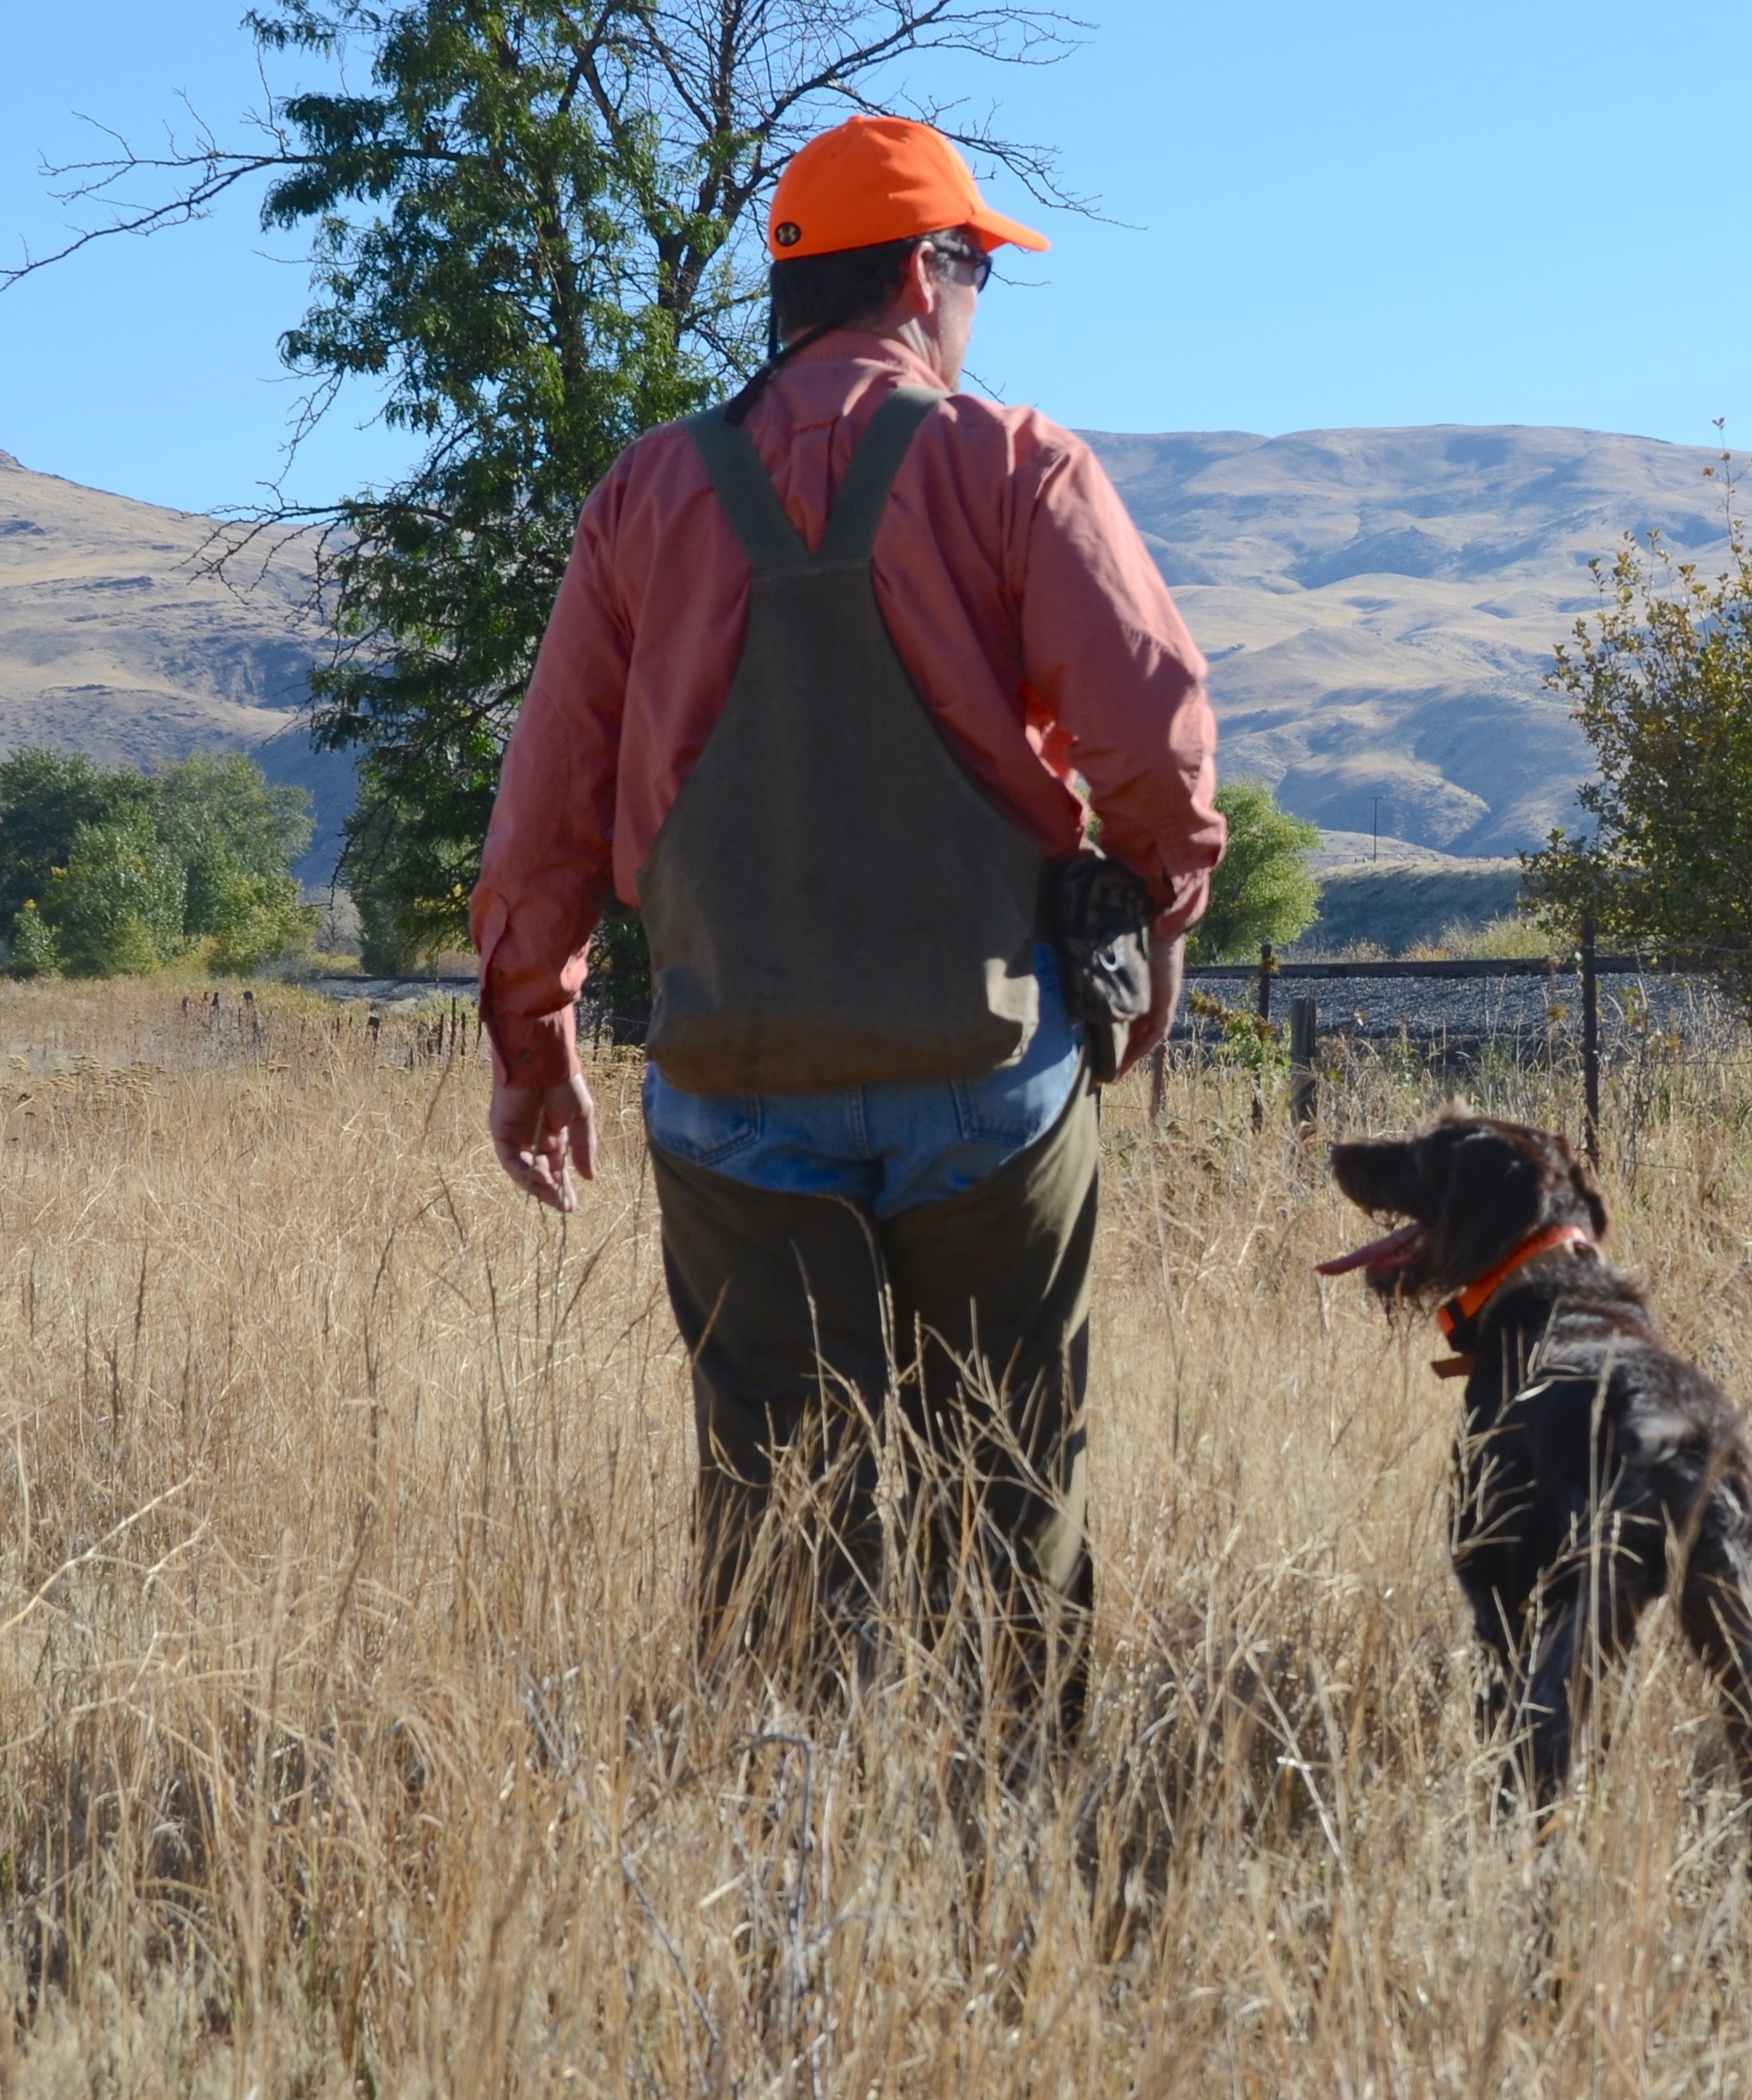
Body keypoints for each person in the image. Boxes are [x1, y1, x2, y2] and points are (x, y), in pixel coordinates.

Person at [468, 115, 1227, 1739]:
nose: (977, 308)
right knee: (1010, 1479)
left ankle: (788, 1876)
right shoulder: (1015, 464)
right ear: (928, 273)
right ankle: (1004, 1847)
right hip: (989, 1077)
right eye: (976, 271)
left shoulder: (645, 496)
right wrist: (1160, 922)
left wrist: (535, 1040)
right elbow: (1154, 738)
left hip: (731, 1092)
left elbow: (544, 813)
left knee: (777, 1510)